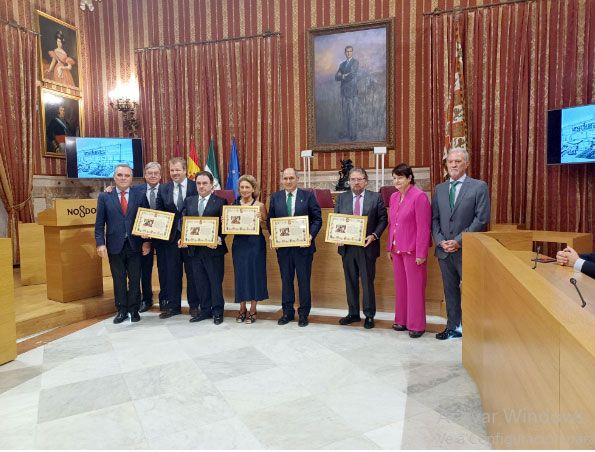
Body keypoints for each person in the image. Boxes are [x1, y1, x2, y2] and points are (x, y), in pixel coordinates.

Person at [432, 149, 490, 340]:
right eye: (450, 162)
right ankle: (453, 327)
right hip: (444, 251)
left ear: (466, 164)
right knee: (450, 291)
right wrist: (441, 242)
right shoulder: (439, 189)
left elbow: (481, 219)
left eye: (458, 161)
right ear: (446, 165)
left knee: (473, 291)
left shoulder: (478, 187)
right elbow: (435, 220)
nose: (454, 165)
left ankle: (474, 330)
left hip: (467, 250)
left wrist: (457, 241)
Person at [94, 164, 151, 324]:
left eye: (127, 175)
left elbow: (146, 220)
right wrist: (100, 243)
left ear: (131, 178)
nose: (123, 178)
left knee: (135, 279)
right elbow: (99, 223)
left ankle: (134, 309)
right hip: (114, 245)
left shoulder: (139, 195)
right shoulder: (105, 197)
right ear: (114, 177)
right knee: (118, 279)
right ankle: (121, 310)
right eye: (120, 175)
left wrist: (147, 242)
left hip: (135, 245)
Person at [268, 168, 322, 327]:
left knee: (303, 281)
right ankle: (287, 312)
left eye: (291, 178)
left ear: (298, 179)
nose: (288, 181)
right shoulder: (275, 197)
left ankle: (303, 314)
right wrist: (273, 235)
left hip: (303, 247)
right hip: (283, 248)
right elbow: (271, 220)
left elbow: (317, 219)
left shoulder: (308, 196)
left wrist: (310, 236)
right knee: (286, 280)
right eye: (285, 178)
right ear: (282, 180)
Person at [335, 168, 387, 329]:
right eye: (353, 179)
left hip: (367, 246)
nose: (356, 182)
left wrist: (374, 235)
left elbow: (383, 220)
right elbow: (337, 220)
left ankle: (369, 315)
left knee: (367, 282)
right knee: (350, 281)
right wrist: (336, 236)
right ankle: (353, 313)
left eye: (359, 179)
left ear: (366, 181)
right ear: (349, 181)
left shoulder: (376, 197)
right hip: (348, 248)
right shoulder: (341, 198)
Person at [387, 164, 432, 338]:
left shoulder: (419, 197)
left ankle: (417, 325)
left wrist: (421, 253)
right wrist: (389, 246)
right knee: (401, 287)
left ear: (409, 178)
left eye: (399, 178)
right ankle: (402, 320)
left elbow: (423, 228)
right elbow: (392, 223)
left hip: (413, 251)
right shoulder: (393, 197)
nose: (396, 181)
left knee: (415, 288)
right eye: (394, 178)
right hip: (397, 248)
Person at [181, 171, 228, 325]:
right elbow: (183, 221)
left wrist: (218, 238)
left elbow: (225, 226)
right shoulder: (189, 201)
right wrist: (183, 237)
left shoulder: (221, 201)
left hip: (213, 250)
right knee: (200, 282)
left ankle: (217, 312)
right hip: (194, 250)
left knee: (215, 282)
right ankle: (205, 310)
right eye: (198, 183)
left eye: (204, 183)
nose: (201, 186)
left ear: (211, 185)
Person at [155, 157, 199, 319]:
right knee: (172, 273)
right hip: (170, 239)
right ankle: (173, 306)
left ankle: (194, 305)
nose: (175, 173)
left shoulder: (196, 186)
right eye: (172, 170)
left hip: (191, 238)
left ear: (185, 170)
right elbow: (159, 212)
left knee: (192, 273)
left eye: (178, 170)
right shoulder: (163, 189)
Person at [231, 175, 269, 324]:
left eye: (248, 187)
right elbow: (229, 226)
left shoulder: (259, 205)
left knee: (255, 275)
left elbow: (267, 226)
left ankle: (253, 309)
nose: (245, 190)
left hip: (256, 244)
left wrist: (261, 220)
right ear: (239, 189)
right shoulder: (233, 205)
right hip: (239, 244)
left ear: (253, 189)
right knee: (240, 275)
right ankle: (242, 308)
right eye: (242, 187)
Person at [137, 162, 169, 312]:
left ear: (161, 175)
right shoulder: (135, 190)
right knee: (145, 269)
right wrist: (110, 189)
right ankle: (146, 299)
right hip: (143, 238)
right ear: (145, 175)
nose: (153, 176)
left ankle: (165, 299)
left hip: (164, 238)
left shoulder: (167, 189)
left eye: (156, 173)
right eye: (150, 173)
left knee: (164, 269)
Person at [335, 45, 359, 141]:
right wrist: (343, 76)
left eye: (350, 51)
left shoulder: (355, 62)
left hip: (352, 92)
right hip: (343, 92)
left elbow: (353, 74)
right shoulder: (342, 64)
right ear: (345, 53)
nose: (348, 53)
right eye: (347, 51)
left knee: (352, 114)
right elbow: (336, 77)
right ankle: (345, 133)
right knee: (344, 114)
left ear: (352, 52)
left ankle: (353, 135)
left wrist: (343, 76)